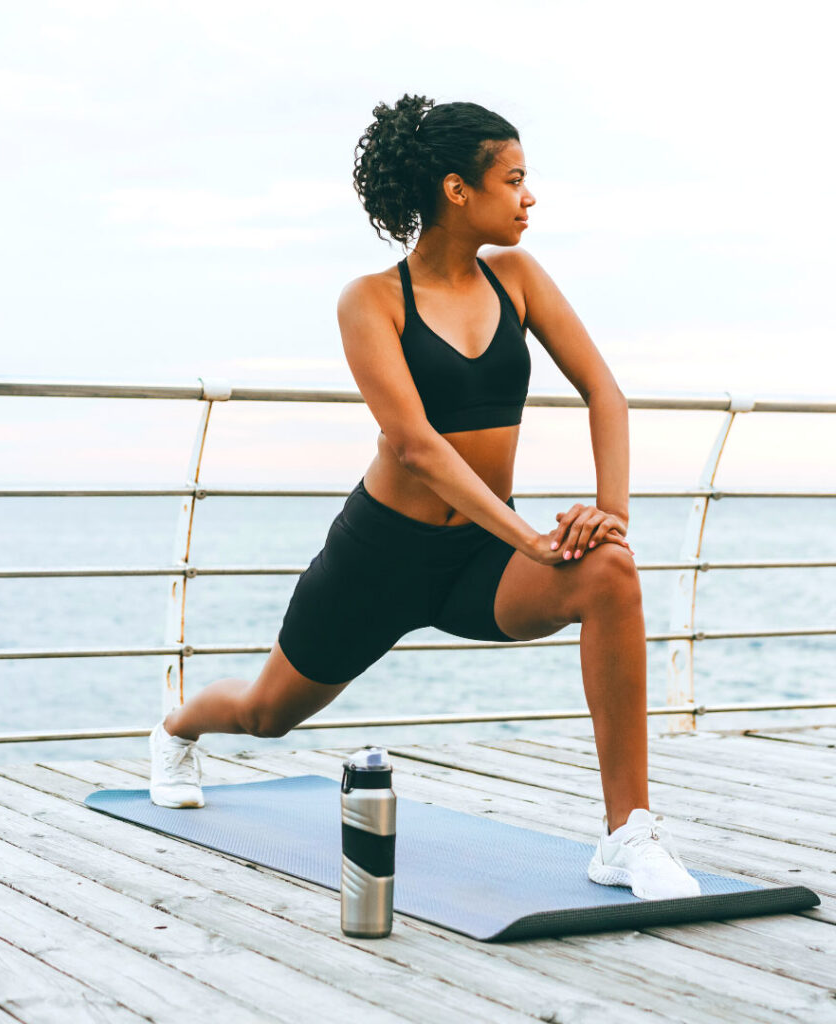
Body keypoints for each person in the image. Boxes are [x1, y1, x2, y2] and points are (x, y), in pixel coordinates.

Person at [148, 94, 700, 901]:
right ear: (455, 190)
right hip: (381, 557)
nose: (528, 196)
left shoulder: (517, 279)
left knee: (610, 569)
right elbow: (415, 444)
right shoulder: (371, 299)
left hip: (479, 558)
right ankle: (176, 730)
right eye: (512, 180)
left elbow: (605, 393)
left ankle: (628, 835)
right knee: (268, 713)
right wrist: (531, 537)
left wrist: (606, 514)